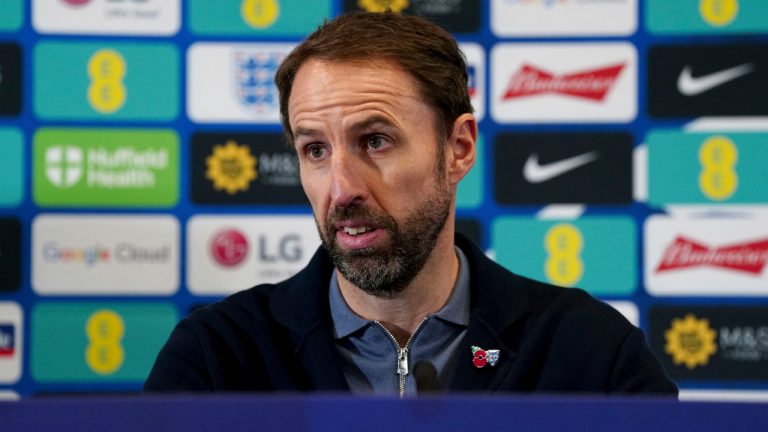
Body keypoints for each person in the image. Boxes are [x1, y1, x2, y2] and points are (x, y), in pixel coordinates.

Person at [144, 11, 677, 396]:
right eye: (314, 150)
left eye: (375, 140)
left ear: (458, 148)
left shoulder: (591, 354)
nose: (342, 187)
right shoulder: (217, 358)